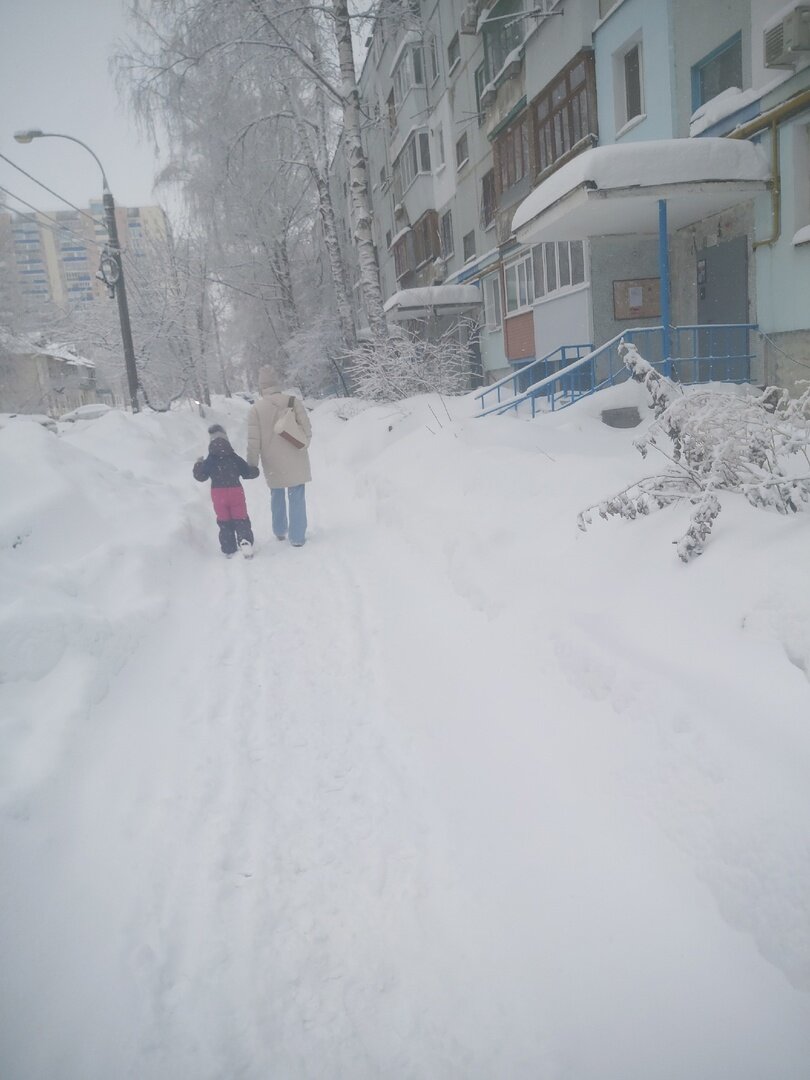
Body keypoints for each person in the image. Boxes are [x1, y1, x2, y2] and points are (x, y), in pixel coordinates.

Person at [246, 365, 312, 547]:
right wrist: (303, 444)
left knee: (276, 493)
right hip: (296, 456)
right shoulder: (293, 401)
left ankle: (280, 530)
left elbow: (253, 441)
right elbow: (307, 429)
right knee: (296, 494)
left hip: (272, 461)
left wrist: (251, 464)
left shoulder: (256, 409)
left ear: (261, 386)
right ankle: (297, 537)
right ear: (277, 383)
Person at [193, 423, 260, 558]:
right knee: (241, 518)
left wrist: (198, 464)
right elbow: (247, 473)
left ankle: (228, 547)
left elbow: (200, 476)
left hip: (218, 494)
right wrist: (255, 470)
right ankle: (245, 541)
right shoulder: (233, 457)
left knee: (224, 521)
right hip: (236, 491)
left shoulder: (210, 460)